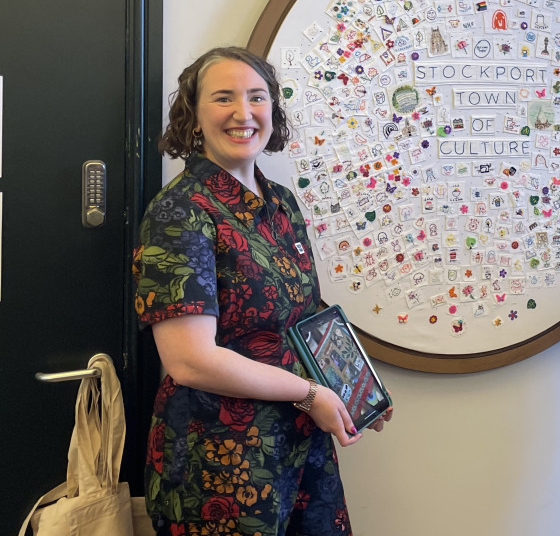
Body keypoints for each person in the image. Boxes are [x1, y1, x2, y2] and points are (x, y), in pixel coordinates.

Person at [133, 46, 391, 536]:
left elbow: (307, 317)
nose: (243, 113)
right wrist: (312, 393)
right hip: (220, 463)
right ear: (193, 114)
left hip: (300, 448)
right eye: (223, 98)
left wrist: (358, 390)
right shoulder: (180, 212)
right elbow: (189, 360)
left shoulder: (281, 204)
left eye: (257, 97)